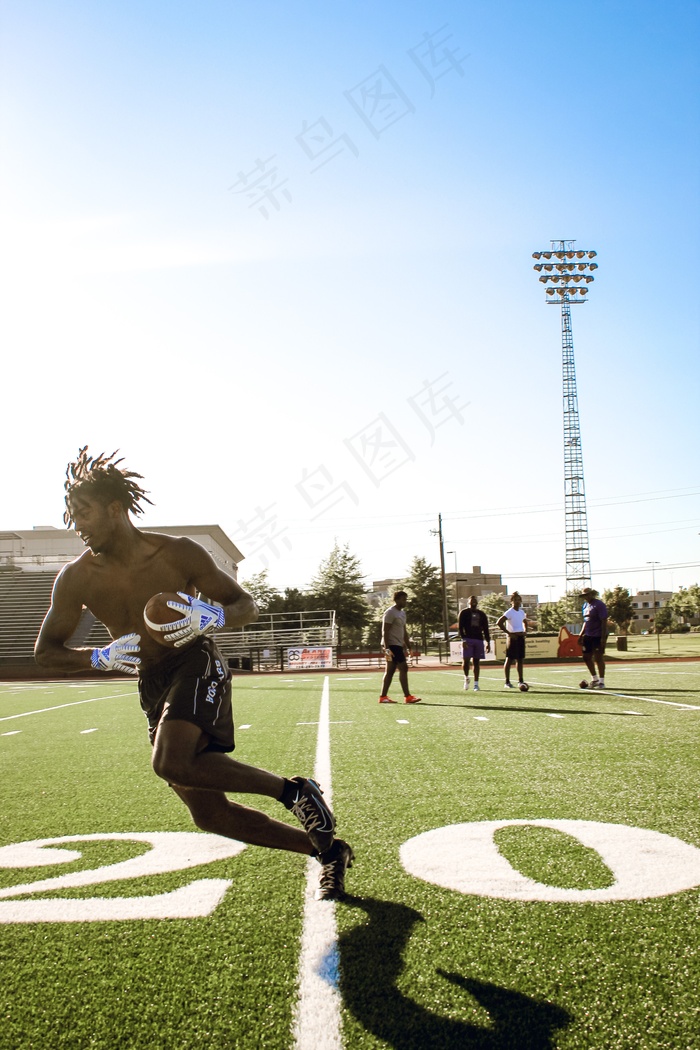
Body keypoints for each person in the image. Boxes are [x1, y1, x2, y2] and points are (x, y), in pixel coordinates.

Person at [34, 447, 353, 901]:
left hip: (196, 660)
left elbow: (245, 604)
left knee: (170, 761)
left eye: (84, 513)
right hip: (151, 681)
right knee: (211, 816)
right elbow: (46, 652)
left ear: (115, 508)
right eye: (72, 516)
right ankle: (328, 852)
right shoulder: (75, 577)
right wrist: (97, 657)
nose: (78, 525)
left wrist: (214, 618)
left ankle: (295, 792)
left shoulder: (179, 552)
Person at [378, 591, 422, 704]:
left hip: (398, 645)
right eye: (403, 599)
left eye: (406, 599)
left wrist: (409, 647)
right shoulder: (390, 613)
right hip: (391, 645)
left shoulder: (402, 613)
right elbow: (385, 631)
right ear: (396, 600)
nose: (405, 601)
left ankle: (383, 697)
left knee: (390, 671)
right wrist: (387, 648)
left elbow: (404, 632)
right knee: (403, 668)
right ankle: (407, 696)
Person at [496, 592, 530, 689]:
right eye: (515, 600)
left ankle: (520, 680)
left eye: (519, 600)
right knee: (509, 659)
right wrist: (509, 633)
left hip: (520, 637)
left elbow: (524, 621)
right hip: (512, 637)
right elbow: (499, 622)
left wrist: (525, 631)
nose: (517, 601)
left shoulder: (521, 612)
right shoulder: (509, 612)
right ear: (511, 602)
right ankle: (507, 682)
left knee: (520, 659)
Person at [578, 587, 609, 689]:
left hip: (598, 634)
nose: (586, 597)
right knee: (586, 657)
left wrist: (603, 637)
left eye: (588, 594)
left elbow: (604, 620)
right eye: (584, 595)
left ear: (592, 594)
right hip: (588, 634)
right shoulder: (585, 605)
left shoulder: (599, 604)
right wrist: (581, 634)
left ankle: (601, 681)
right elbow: (586, 621)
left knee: (598, 657)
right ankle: (594, 679)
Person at [458, 596, 491, 691]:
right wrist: (463, 639)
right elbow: (460, 627)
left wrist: (488, 641)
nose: (473, 602)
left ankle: (476, 684)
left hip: (479, 639)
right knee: (466, 660)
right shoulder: (464, 613)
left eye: (475, 600)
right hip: (468, 639)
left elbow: (486, 629)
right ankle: (466, 677)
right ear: (468, 602)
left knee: (476, 662)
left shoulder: (482, 614)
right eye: (471, 600)